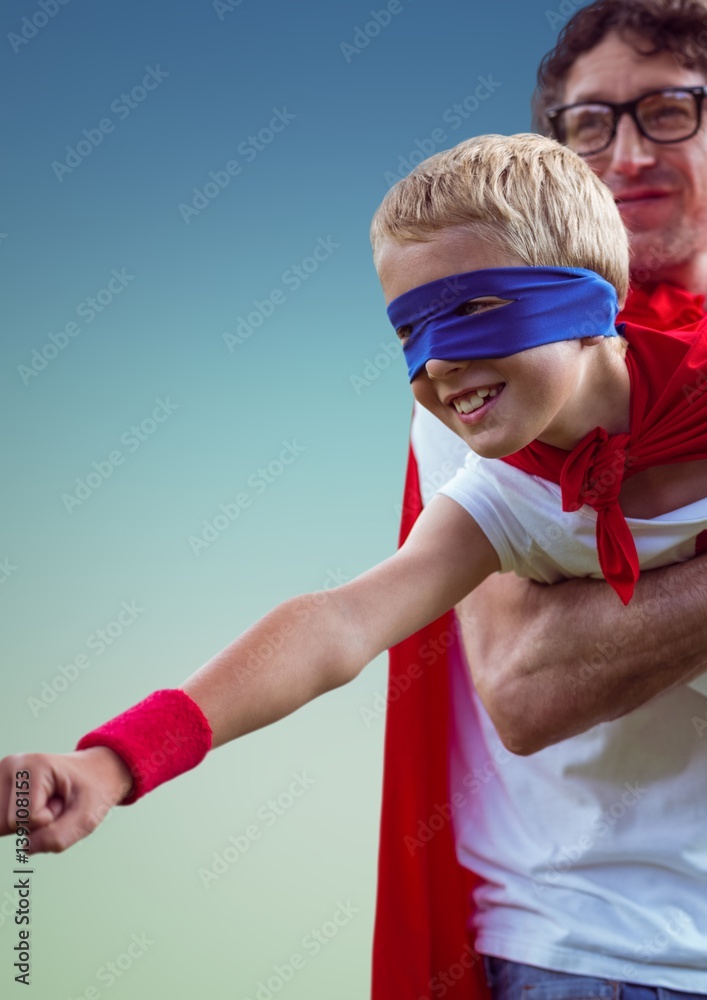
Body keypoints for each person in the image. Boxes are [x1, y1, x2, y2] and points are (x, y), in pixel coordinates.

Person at [3, 129, 707, 996]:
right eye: (408, 326)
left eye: (472, 309)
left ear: (588, 301)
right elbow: (338, 625)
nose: (436, 360)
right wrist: (113, 763)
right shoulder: (504, 494)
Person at [372, 2, 707, 998]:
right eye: (587, 124)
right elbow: (524, 682)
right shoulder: (491, 374)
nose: (626, 152)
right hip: (595, 949)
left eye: (668, 110)